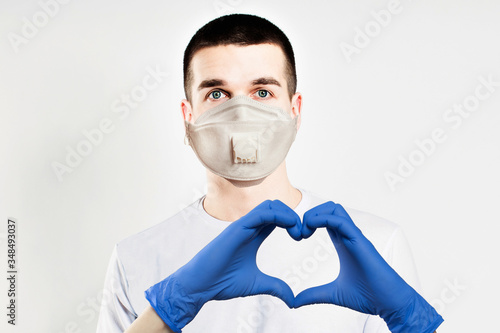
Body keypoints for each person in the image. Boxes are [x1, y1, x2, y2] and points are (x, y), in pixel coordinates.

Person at [97, 14, 443, 333]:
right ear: (188, 114)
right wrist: (167, 309)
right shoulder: (136, 258)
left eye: (262, 92)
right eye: (217, 93)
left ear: (295, 109)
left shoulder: (376, 246)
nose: (241, 112)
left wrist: (412, 322)